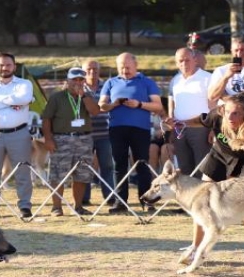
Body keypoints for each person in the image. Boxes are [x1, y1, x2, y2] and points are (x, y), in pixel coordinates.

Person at [175, 92, 244, 274]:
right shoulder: (218, 115)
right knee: (200, 202)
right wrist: (180, 122)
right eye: (227, 112)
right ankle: (196, 248)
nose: (230, 117)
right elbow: (201, 120)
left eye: (236, 113)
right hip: (219, 156)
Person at [98, 52, 163, 213]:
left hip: (140, 129)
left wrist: (139, 104)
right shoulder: (111, 82)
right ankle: (120, 202)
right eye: (121, 67)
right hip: (116, 128)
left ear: (136, 66)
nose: (125, 70)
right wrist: (113, 105)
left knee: (142, 164)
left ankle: (147, 201)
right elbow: (101, 105)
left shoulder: (147, 82)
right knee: (119, 165)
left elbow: (158, 106)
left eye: (128, 67)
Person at [0, 52, 34, 218]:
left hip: (19, 133)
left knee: (23, 171)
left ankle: (25, 206)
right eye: (1, 65)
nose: (5, 68)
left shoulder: (25, 83)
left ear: (14, 66)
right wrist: (12, 102)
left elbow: (25, 98)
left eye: (8, 65)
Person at [41, 67, 100, 216]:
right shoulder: (57, 97)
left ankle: (78, 206)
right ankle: (56, 207)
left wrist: (84, 96)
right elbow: (46, 119)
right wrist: (48, 139)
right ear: (67, 81)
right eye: (74, 79)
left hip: (84, 139)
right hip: (62, 139)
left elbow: (95, 111)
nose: (78, 82)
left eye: (81, 79)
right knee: (58, 174)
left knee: (81, 174)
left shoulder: (88, 96)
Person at [167, 47, 213, 177]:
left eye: (187, 60)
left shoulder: (208, 78)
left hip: (201, 129)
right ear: (176, 63)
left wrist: (214, 129)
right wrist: (171, 128)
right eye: (180, 61)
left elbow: (215, 106)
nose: (184, 64)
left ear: (195, 60)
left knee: (202, 168)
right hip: (179, 130)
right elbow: (172, 105)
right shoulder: (175, 80)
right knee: (184, 168)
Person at [80, 59, 115, 207]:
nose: (92, 72)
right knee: (84, 166)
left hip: (105, 134)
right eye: (88, 69)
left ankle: (110, 196)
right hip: (85, 134)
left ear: (99, 70)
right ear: (83, 72)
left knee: (107, 166)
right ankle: (83, 197)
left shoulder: (108, 86)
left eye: (95, 69)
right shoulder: (78, 88)